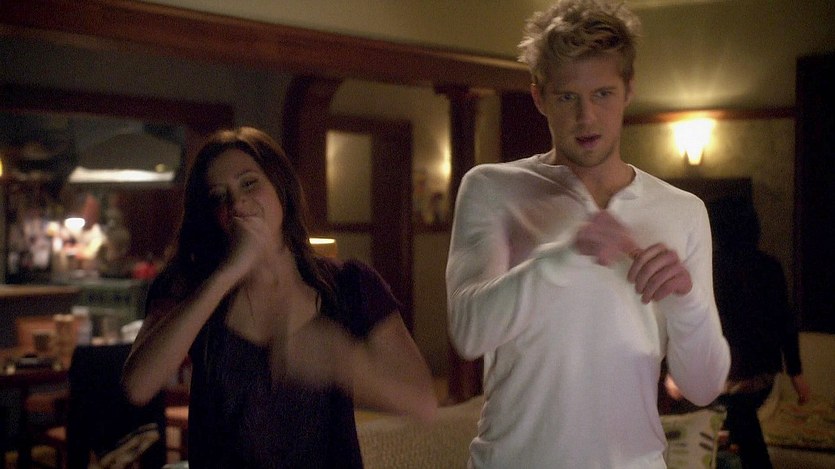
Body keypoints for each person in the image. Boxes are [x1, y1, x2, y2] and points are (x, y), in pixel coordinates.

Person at [445, 1, 730, 467]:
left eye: (602, 94)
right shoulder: (491, 188)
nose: (587, 117)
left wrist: (686, 301)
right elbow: (470, 331)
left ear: (628, 90)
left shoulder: (682, 211)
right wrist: (564, 256)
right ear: (539, 97)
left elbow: (703, 387)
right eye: (567, 97)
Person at [122, 127, 437, 468]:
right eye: (218, 197)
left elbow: (422, 400)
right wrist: (228, 273)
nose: (236, 203)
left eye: (249, 183)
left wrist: (341, 360)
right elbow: (137, 386)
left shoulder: (350, 284)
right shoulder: (189, 283)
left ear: (279, 187)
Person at [708, 196, 810, 469]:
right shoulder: (768, 266)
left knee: (736, 416)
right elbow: (785, 322)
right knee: (739, 420)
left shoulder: (711, 267)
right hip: (752, 372)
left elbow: (783, 321)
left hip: (735, 374)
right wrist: (796, 373)